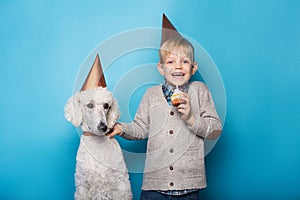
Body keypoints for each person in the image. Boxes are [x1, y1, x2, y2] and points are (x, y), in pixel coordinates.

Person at [108, 37, 222, 200]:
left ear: (193, 68)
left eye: (184, 61)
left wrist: (191, 118)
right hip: (154, 188)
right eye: (170, 62)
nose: (178, 66)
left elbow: (215, 129)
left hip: (188, 188)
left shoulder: (200, 91)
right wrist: (121, 128)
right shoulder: (150, 94)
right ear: (161, 68)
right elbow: (140, 128)